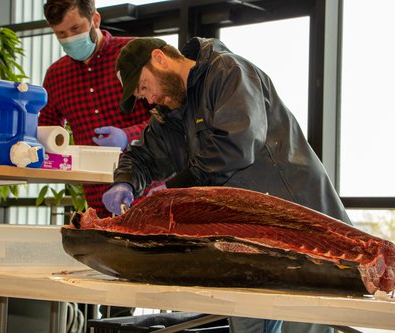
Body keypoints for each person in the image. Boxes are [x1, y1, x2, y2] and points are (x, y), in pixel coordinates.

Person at [102, 37, 352, 333]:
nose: (149, 99)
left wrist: (174, 190)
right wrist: (126, 182)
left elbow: (235, 144)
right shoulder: (175, 110)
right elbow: (144, 154)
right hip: (247, 237)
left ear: (159, 58)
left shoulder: (228, 71)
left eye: (144, 87)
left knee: (305, 323)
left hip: (300, 225)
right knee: (247, 325)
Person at [39, 0, 153, 218]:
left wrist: (127, 136)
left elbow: (171, 118)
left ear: (95, 19)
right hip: (98, 200)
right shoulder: (56, 76)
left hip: (150, 190)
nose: (70, 39)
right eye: (61, 34)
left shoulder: (135, 55)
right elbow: (47, 132)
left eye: (76, 29)